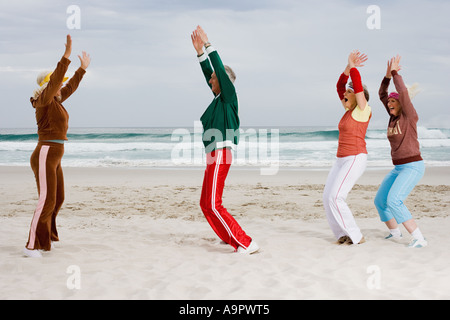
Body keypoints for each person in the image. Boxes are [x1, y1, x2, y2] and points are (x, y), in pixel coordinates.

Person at [191, 25, 259, 254]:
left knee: (213, 204)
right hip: (214, 154)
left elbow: (218, 70)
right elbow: (209, 74)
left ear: (223, 80)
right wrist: (200, 54)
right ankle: (227, 236)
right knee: (206, 203)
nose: (210, 81)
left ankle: (245, 243)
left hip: (220, 153)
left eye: (214, 78)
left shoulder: (229, 96)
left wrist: (209, 46)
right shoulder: (220, 99)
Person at [24, 35, 91, 258]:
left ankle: (48, 235)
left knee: (58, 198)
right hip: (45, 153)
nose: (61, 85)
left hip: (55, 155)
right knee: (46, 200)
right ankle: (34, 244)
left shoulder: (55, 102)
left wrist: (82, 70)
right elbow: (56, 83)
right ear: (48, 85)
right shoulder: (44, 100)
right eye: (57, 83)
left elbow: (69, 87)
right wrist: (66, 57)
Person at [374, 55, 427, 248]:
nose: (389, 104)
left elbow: (402, 92)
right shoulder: (392, 118)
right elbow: (382, 94)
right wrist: (387, 76)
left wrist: (396, 73)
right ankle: (395, 233)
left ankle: (419, 238)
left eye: (393, 102)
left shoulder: (409, 116)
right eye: (389, 103)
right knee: (380, 201)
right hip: (398, 168)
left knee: (394, 200)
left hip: (413, 166)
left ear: (401, 104)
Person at [323, 51, 372, 245]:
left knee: (337, 196)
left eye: (349, 92)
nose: (345, 93)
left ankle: (356, 236)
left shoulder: (362, 110)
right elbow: (339, 86)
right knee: (327, 197)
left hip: (355, 158)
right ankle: (341, 234)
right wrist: (346, 67)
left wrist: (353, 67)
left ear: (359, 97)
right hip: (341, 159)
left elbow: (357, 86)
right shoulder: (348, 111)